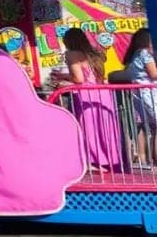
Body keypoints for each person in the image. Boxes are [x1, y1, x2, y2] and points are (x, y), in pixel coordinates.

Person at [52, 27, 125, 172]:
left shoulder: (72, 54)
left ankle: (94, 161)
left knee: (90, 128)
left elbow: (79, 78)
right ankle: (111, 160)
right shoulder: (94, 54)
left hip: (87, 95)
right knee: (105, 127)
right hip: (103, 94)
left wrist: (62, 78)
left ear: (68, 41)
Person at [123, 28, 157, 167]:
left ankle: (150, 160)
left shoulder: (134, 55)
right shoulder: (145, 54)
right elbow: (153, 74)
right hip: (149, 92)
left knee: (151, 127)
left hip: (139, 93)